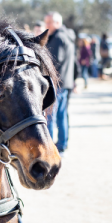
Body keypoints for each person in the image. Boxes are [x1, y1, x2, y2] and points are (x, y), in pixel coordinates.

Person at [44, 12, 75, 154]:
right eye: (46, 22)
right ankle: (62, 144)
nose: (47, 26)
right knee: (62, 115)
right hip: (66, 82)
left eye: (49, 23)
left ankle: (50, 147)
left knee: (51, 116)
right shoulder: (68, 37)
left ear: (57, 23)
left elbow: (54, 61)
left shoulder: (58, 38)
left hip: (56, 83)